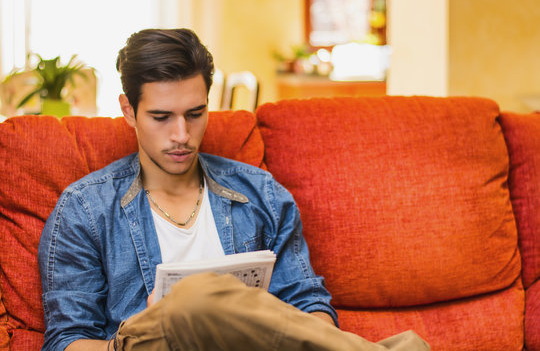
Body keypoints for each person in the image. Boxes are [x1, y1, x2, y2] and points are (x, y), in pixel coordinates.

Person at [38, 28, 430, 351]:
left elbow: (307, 303)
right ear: (128, 110)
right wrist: (155, 324)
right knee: (193, 300)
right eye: (161, 117)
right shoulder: (85, 209)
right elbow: (66, 340)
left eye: (195, 114)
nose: (182, 136)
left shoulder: (262, 194)